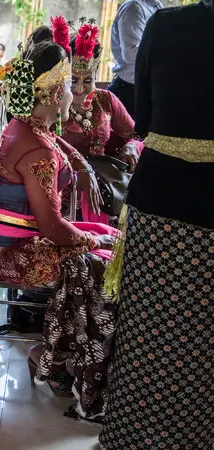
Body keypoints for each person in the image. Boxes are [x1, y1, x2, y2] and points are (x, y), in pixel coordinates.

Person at [0, 27, 120, 425]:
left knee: (112, 243)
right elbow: (55, 228)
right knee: (106, 265)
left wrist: (100, 229)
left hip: (8, 242)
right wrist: (93, 235)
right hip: (12, 255)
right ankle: (57, 360)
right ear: (56, 92)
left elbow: (60, 155)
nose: (74, 94)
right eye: (68, 85)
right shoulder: (38, 147)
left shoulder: (23, 127)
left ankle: (58, 356)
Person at [98, 2, 214, 448]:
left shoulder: (165, 25)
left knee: (150, 327)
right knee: (201, 336)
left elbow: (142, 117)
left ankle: (134, 434)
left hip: (161, 195)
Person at [61, 22, 143, 225]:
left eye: (87, 80)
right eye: (73, 80)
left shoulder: (105, 100)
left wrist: (132, 147)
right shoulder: (55, 103)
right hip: (62, 190)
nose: (79, 89)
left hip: (103, 190)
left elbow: (137, 134)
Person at [108, 0, 162, 118]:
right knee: (130, 135)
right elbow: (131, 54)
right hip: (130, 91)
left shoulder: (156, 5)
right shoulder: (134, 8)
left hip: (144, 88)